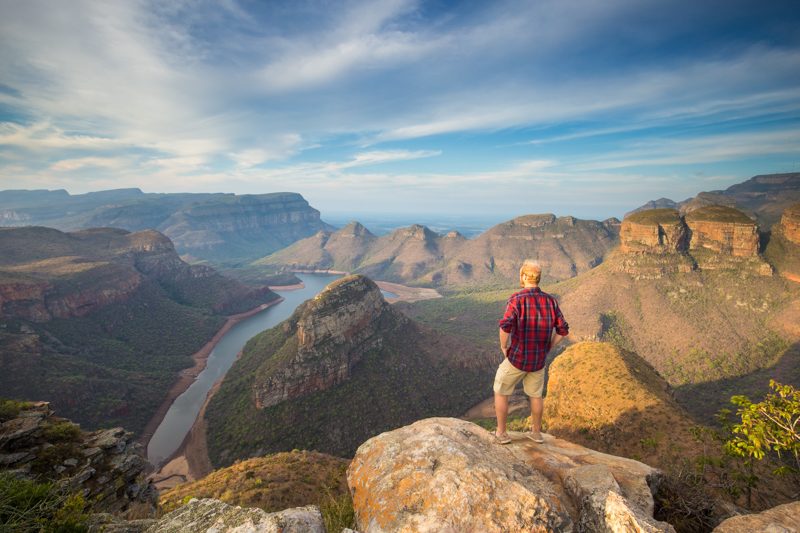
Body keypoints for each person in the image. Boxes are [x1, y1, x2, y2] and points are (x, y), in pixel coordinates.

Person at [493, 260, 569, 444]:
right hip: (538, 361)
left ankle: (502, 433)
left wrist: (504, 346)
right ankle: (536, 433)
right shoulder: (551, 301)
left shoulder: (517, 299)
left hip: (517, 358)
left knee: (501, 391)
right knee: (536, 395)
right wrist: (549, 346)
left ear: (524, 277)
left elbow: (505, 327)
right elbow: (563, 330)